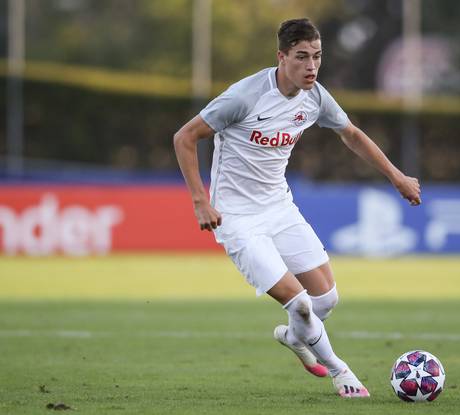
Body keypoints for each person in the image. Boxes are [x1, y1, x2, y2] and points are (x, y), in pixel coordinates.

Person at [173, 18, 421, 399]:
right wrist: (199, 201)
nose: (311, 66)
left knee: (326, 300)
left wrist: (395, 175)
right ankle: (340, 370)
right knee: (301, 303)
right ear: (282, 57)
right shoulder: (244, 97)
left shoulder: (316, 96)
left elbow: (351, 134)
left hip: (280, 207)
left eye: (317, 57)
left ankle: (293, 337)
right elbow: (185, 137)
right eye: (302, 57)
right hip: (237, 218)